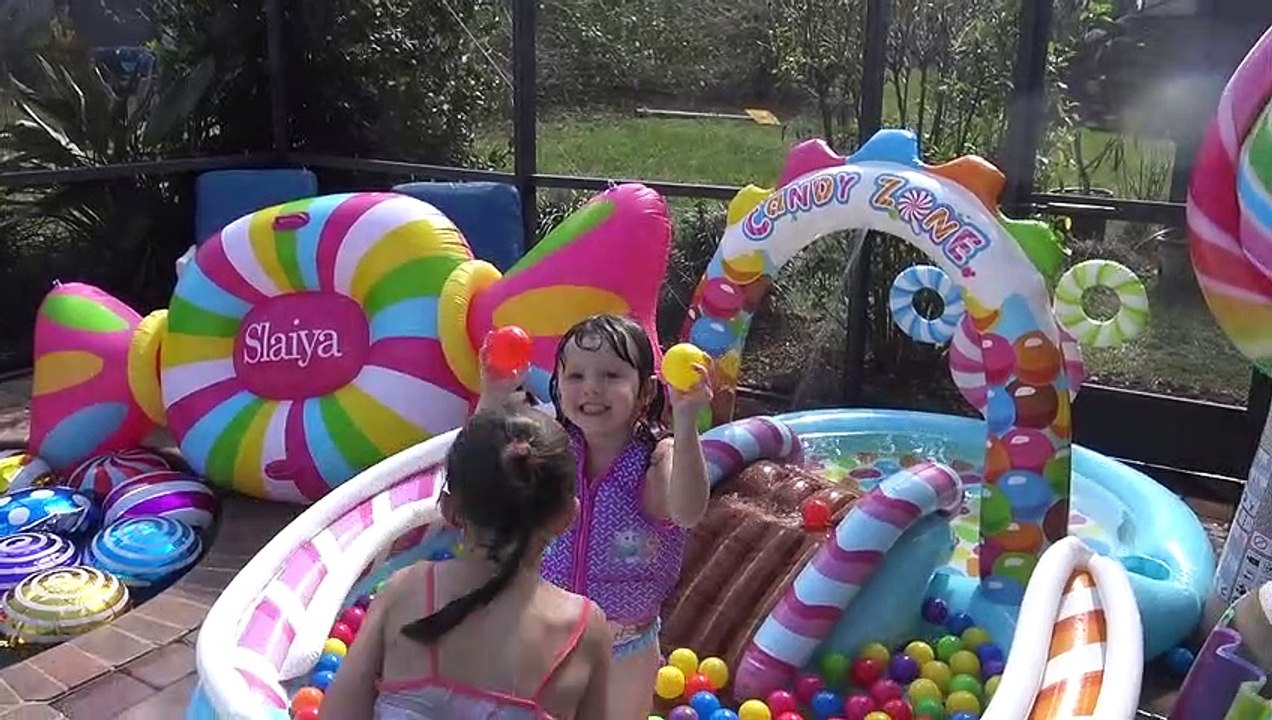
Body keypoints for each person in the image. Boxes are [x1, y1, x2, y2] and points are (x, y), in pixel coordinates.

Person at [478, 314, 712, 720]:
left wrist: (687, 420)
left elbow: (688, 511)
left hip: (624, 645)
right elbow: (478, 479)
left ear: (646, 392)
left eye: (611, 375)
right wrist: (494, 398)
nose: (591, 387)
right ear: (558, 384)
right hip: (544, 631)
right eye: (577, 376)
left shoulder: (656, 459)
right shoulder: (549, 450)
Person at [319, 409, 613, 720]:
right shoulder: (583, 629)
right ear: (567, 517)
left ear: (449, 508)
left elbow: (338, 714)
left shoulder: (405, 591)